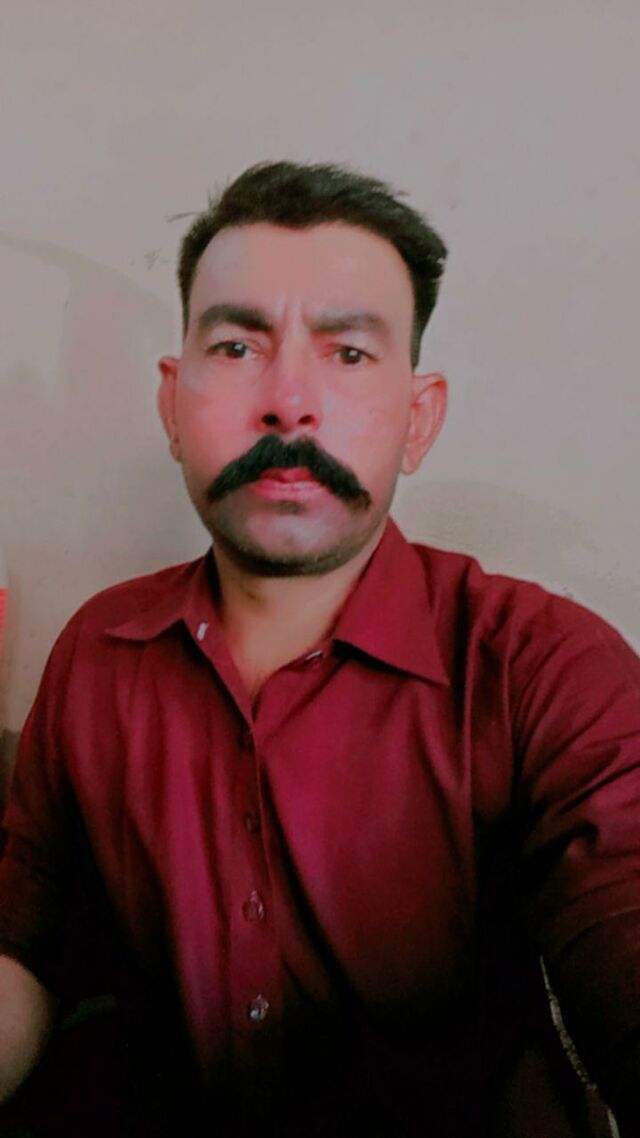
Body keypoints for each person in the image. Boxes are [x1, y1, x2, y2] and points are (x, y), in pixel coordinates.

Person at [0, 160, 638, 1138]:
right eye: (236, 345)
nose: (289, 402)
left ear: (417, 418)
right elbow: (25, 947)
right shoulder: (98, 651)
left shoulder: (544, 667)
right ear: (172, 406)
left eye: (347, 353)